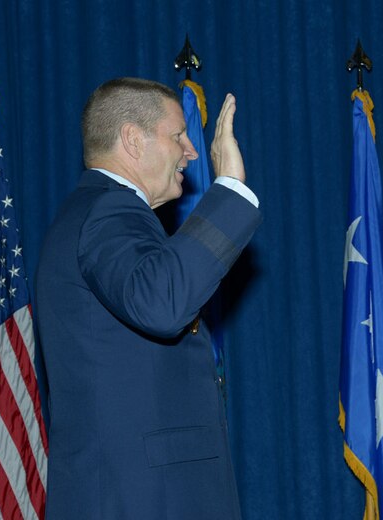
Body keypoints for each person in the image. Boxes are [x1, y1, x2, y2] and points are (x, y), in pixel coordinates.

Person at [35, 78, 261, 519]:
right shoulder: (108, 211)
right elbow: (163, 303)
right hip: (145, 498)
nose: (191, 151)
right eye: (178, 135)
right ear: (133, 141)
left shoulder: (86, 213)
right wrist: (230, 188)